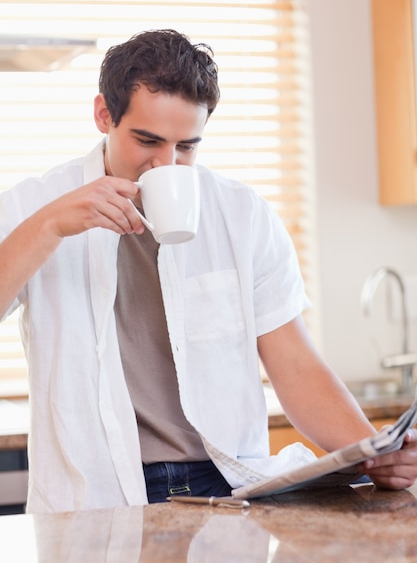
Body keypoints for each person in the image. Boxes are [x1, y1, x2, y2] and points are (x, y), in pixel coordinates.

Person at [0, 29, 416, 513]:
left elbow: (295, 365)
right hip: (98, 491)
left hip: (225, 487)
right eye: (147, 141)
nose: (167, 163)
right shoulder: (36, 205)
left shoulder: (242, 215)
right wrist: (50, 225)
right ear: (103, 115)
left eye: (187, 146)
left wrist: (374, 453)